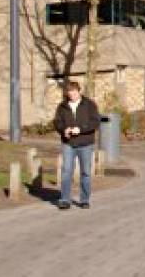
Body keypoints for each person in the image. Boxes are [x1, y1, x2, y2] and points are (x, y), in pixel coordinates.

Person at [52, 80, 101, 210]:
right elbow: (57, 122)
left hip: (85, 143)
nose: (71, 94)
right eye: (69, 92)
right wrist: (64, 130)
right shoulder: (62, 106)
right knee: (66, 171)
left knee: (85, 172)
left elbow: (95, 122)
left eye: (74, 91)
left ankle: (84, 199)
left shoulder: (89, 104)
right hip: (68, 143)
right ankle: (65, 199)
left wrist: (81, 129)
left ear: (79, 91)